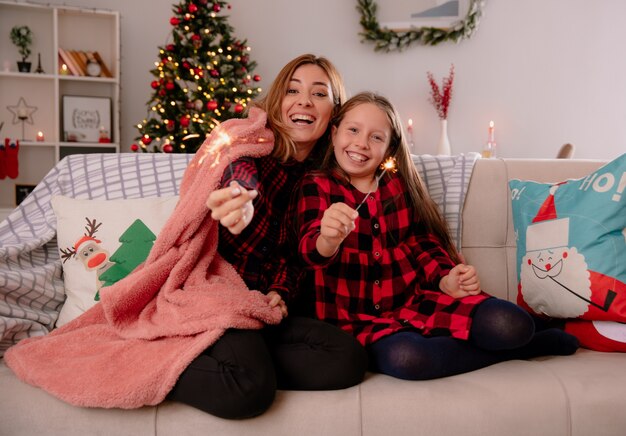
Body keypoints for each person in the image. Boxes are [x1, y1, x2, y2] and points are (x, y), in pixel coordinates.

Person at [296, 92, 579, 381]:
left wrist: (446, 277)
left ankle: (521, 337)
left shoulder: (396, 185)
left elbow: (421, 242)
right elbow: (309, 251)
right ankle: (525, 348)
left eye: (376, 137)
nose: (361, 143)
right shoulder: (316, 185)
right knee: (408, 358)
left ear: (390, 149)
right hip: (358, 321)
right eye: (353, 130)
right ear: (334, 134)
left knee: (510, 324)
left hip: (420, 302)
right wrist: (328, 239)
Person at [167, 54, 367, 418]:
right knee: (249, 391)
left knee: (348, 358)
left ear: (334, 116)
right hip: (219, 298)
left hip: (265, 310)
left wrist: (281, 290)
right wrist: (240, 202)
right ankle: (164, 360)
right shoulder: (247, 148)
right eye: (293, 90)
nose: (304, 100)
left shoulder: (324, 181)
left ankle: (241, 360)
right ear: (278, 102)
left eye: (318, 94)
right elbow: (238, 177)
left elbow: (299, 256)